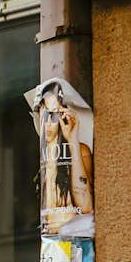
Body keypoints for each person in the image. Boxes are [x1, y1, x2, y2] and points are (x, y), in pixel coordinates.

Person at [40, 83, 93, 235]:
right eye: (45, 115)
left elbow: (85, 206)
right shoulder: (41, 157)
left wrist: (72, 140)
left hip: (74, 241)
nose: (48, 124)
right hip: (49, 243)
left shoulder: (78, 150)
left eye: (54, 115)